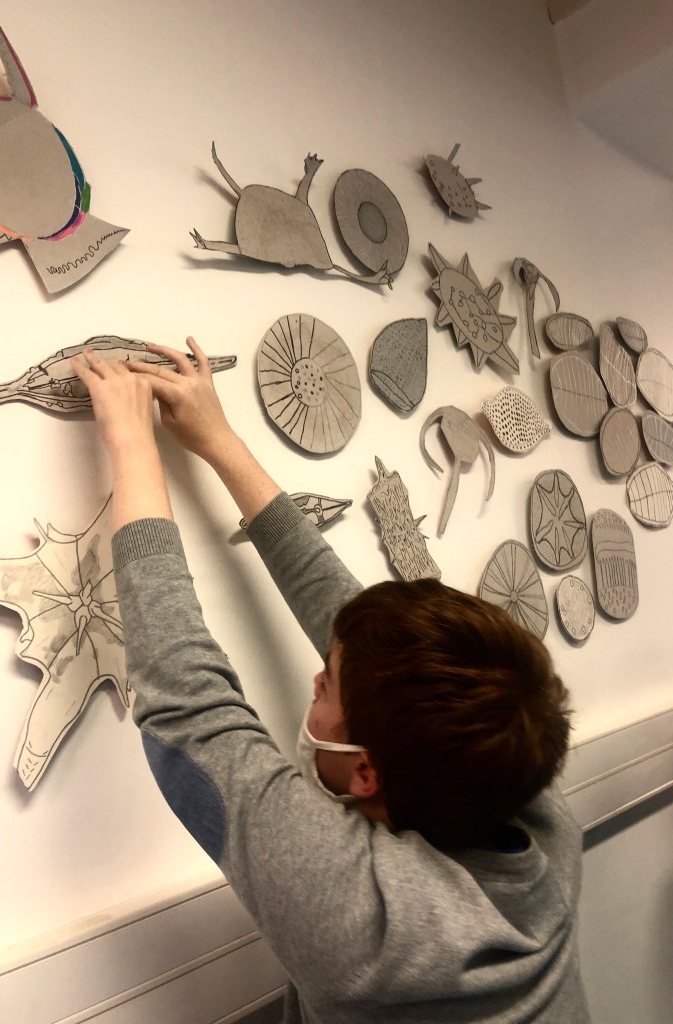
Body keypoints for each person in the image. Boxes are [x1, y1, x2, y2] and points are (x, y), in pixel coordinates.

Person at [73, 339, 589, 1024]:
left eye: (328, 687)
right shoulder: (524, 796)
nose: (316, 677)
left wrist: (131, 443)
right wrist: (219, 441)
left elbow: (188, 700)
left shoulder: (368, 923)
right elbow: (349, 617)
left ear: (367, 771)